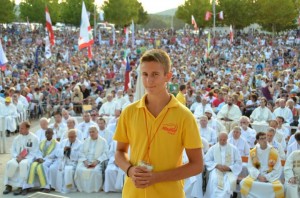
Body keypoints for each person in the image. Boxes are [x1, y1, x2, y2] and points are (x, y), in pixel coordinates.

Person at [113, 49, 203, 197]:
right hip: (133, 193)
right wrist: (130, 170)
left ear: (168, 76)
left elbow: (197, 165)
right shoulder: (129, 112)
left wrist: (156, 178)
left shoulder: (185, 116)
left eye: (155, 74)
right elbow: (119, 152)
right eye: (145, 74)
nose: (149, 80)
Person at [240, 132, 284, 198]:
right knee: (243, 183)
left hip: (270, 177)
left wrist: (267, 177)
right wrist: (258, 176)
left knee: (280, 187)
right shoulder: (253, 152)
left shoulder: (274, 152)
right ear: (257, 141)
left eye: (265, 138)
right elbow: (250, 166)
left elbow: (277, 168)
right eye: (261, 139)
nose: (264, 140)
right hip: (257, 177)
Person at [3, 121, 39, 195]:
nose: (19, 130)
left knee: (23, 164)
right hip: (17, 157)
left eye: (22, 128)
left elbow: (35, 151)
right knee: (10, 163)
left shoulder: (34, 138)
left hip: (27, 159)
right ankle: (8, 185)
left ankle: (21, 187)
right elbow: (12, 149)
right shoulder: (17, 138)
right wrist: (17, 156)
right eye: (19, 128)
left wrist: (24, 158)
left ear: (27, 128)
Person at [204, 132, 242, 198]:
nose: (222, 141)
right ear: (218, 139)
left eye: (224, 140)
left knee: (228, 183)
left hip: (229, 171)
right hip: (217, 170)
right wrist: (216, 165)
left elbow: (238, 162)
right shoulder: (213, 148)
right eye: (220, 139)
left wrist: (230, 168)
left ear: (227, 139)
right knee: (214, 180)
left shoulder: (233, 148)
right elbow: (207, 160)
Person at [24, 128, 59, 194]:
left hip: (50, 160)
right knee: (32, 165)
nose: (47, 134)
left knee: (42, 166)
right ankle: (27, 186)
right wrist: (39, 158)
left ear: (52, 134)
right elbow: (38, 152)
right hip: (41, 159)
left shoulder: (56, 143)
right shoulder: (42, 142)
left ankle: (46, 187)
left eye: (49, 133)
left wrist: (44, 159)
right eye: (46, 133)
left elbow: (55, 154)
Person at [74, 126, 109, 193]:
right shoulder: (85, 141)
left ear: (97, 132)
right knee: (79, 170)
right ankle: (82, 188)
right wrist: (85, 161)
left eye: (93, 132)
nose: (91, 133)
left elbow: (106, 153)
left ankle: (95, 189)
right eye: (90, 132)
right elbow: (81, 152)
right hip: (86, 161)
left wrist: (97, 161)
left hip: (97, 161)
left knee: (95, 171)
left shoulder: (103, 141)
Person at [50, 129, 82, 193]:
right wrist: (63, 150)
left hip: (72, 162)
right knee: (53, 168)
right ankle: (56, 186)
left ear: (76, 136)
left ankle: (69, 188)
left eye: (72, 137)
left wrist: (71, 151)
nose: (70, 138)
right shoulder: (63, 142)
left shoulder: (80, 144)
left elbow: (79, 155)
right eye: (69, 137)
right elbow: (57, 152)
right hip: (63, 160)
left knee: (68, 170)